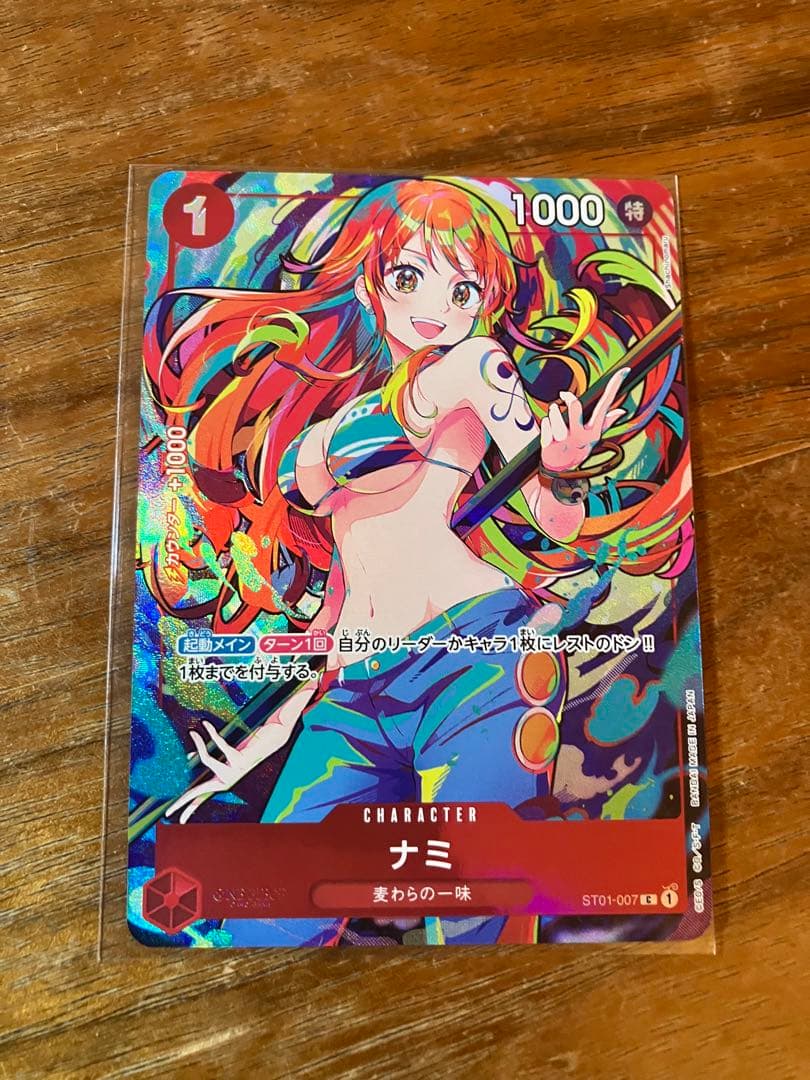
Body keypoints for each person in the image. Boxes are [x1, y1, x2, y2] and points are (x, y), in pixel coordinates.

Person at [147, 178, 628, 944]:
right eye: (410, 276)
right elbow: (346, 591)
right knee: (266, 923)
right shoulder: (333, 422)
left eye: (464, 289)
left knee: (477, 923)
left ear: (485, 303)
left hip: (473, 661)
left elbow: (554, 516)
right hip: (356, 690)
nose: (438, 306)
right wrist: (269, 738)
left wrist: (562, 467)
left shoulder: (477, 365)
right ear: (372, 284)